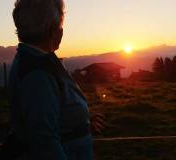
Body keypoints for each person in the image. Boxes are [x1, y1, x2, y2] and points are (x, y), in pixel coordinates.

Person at [8, 0, 104, 159]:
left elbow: (53, 116)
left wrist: (82, 124)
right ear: (52, 30)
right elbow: (45, 143)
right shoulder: (37, 74)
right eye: (60, 25)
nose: (62, 30)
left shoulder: (39, 61)